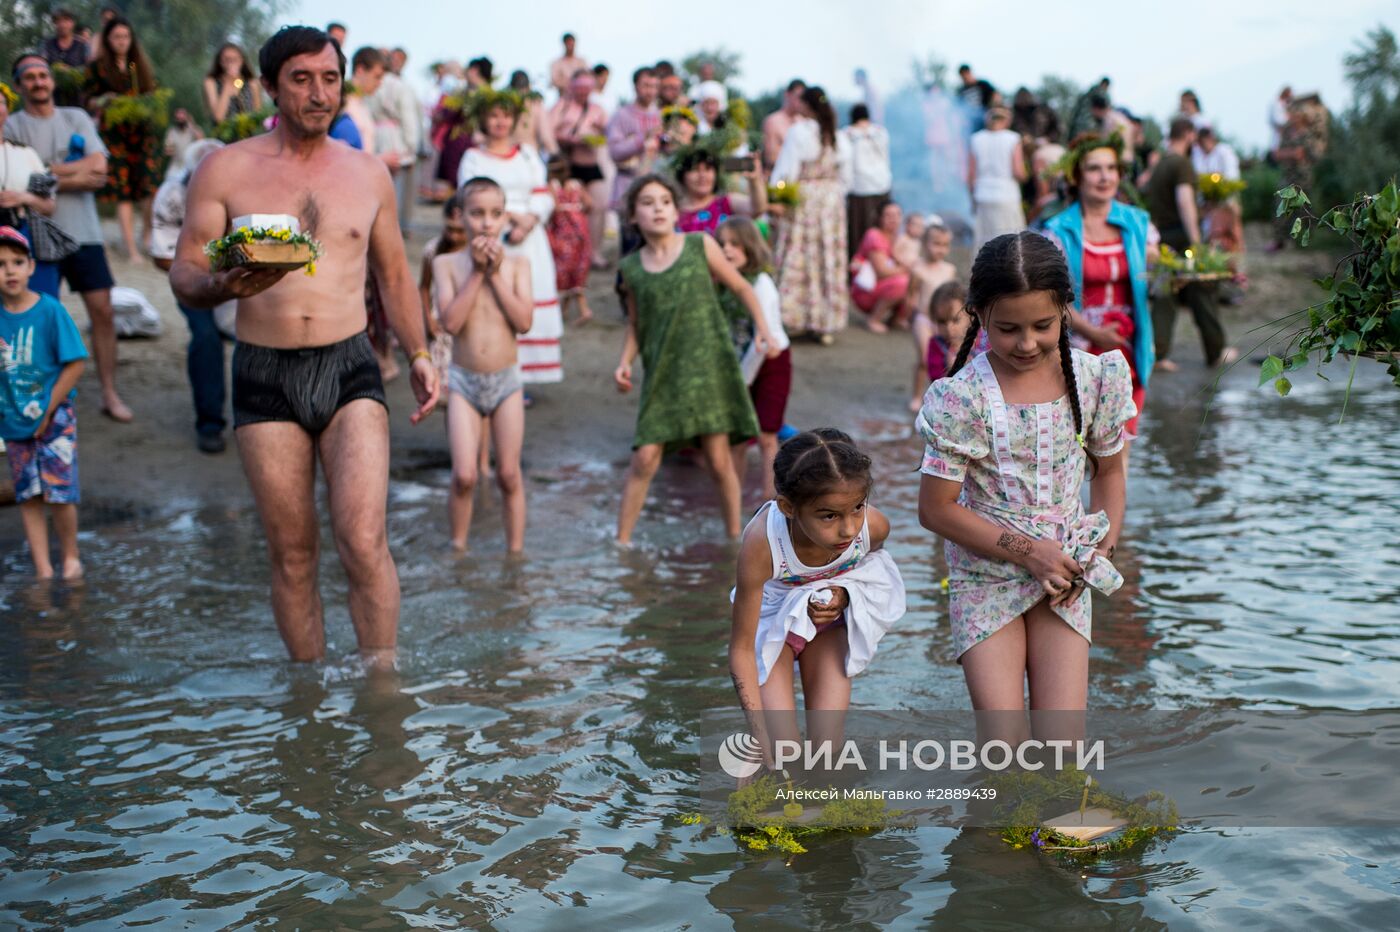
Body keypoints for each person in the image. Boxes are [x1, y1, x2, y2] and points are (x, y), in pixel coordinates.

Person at [169, 25, 439, 665]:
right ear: (268, 86)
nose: (320, 94)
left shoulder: (367, 173)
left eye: (330, 78)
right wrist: (220, 281)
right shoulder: (226, 168)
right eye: (301, 79)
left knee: (363, 539)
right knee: (292, 553)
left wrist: (422, 355)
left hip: (350, 367)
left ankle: (381, 692)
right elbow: (183, 272)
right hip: (264, 370)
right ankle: (309, 694)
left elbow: (394, 276)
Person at [916, 231, 1134, 711]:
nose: (1027, 342)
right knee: (1004, 741)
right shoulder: (962, 397)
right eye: (1008, 328)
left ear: (1064, 309)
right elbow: (934, 510)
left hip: (1065, 573)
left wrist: (1098, 552)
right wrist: (1030, 551)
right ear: (979, 315)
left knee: (1062, 750)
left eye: (1042, 325)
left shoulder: (1096, 380)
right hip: (985, 574)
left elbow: (1111, 475)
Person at [613, 174, 776, 545]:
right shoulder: (631, 269)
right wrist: (624, 361)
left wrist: (763, 327)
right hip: (663, 374)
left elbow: (740, 285)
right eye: (648, 202)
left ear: (676, 210)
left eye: (665, 202)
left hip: (709, 369)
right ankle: (622, 541)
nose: (658, 209)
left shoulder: (699, 245)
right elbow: (636, 325)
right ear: (633, 216)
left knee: (719, 459)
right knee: (645, 457)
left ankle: (735, 536)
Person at [728, 429, 904, 772]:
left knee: (828, 751)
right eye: (829, 516)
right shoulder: (763, 544)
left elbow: (873, 571)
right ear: (788, 507)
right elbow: (742, 650)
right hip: (771, 626)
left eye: (857, 508)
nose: (849, 530)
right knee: (781, 750)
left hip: (828, 625)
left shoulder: (874, 527)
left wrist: (843, 593)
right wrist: (757, 733)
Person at [8, 54, 133, 421]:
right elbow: (19, 181)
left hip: (85, 232)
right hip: (36, 234)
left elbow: (100, 167)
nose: (38, 81)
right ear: (19, 86)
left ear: (52, 80)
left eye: (42, 75)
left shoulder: (75, 117)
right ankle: (42, 397)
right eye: (29, 77)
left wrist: (43, 172)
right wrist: (73, 176)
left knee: (104, 311)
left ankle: (109, 392)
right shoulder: (13, 125)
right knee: (39, 315)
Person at [434, 178, 533, 552]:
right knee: (464, 475)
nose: (487, 223)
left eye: (495, 214)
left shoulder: (519, 264)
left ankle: (515, 553)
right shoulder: (447, 264)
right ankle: (458, 548)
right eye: (477, 213)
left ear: (506, 217)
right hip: (463, 381)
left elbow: (523, 322)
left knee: (509, 474)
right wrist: (477, 273)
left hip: (506, 381)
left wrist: (494, 274)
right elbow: (451, 323)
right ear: (461, 217)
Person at [1043, 134, 1157, 458]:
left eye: (1111, 168)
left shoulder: (1138, 223)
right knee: (1077, 447)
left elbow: (1157, 274)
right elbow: (1052, 300)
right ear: (1077, 177)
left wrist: (1186, 269)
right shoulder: (1058, 230)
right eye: (1094, 169)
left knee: (1121, 446)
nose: (1105, 177)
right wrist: (1093, 332)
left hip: (1129, 348)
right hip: (1077, 346)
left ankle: (1117, 511)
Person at [459, 90, 564, 386]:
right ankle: (500, 371)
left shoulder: (528, 154)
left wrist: (529, 221)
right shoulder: (473, 158)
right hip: (492, 237)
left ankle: (528, 374)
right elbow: (470, 197)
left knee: (529, 297)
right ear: (483, 119)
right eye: (493, 115)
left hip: (530, 240)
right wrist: (508, 219)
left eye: (505, 115)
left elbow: (542, 194)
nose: (500, 122)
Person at [0, 226, 88, 579]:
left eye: (17, 262)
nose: (9, 270)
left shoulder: (50, 311)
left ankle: (70, 557)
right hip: (13, 421)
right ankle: (42, 568)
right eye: (1, 264)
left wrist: (49, 408)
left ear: (32, 267)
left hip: (55, 418)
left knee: (60, 491)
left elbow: (76, 361)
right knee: (28, 495)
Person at [149, 138, 231, 453]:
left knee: (255, 336)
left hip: (234, 277)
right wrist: (199, 274)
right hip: (191, 276)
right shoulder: (171, 195)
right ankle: (210, 423)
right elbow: (161, 256)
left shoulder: (239, 190)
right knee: (205, 336)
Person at [1144, 118, 1235, 369]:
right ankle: (1216, 351)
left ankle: (1158, 354)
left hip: (1161, 238)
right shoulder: (1181, 164)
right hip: (1181, 237)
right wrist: (1196, 241)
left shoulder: (1160, 164)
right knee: (1202, 291)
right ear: (1186, 134)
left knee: (1165, 294)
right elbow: (1184, 202)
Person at [717, 217, 791, 500]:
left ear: (749, 247)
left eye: (734, 244)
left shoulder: (760, 284)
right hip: (740, 366)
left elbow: (766, 342)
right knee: (737, 438)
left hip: (771, 361)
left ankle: (770, 500)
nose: (727, 250)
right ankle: (732, 498)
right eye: (722, 244)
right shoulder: (723, 284)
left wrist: (741, 381)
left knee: (766, 435)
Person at [771, 85, 851, 341]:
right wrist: (834, 195)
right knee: (827, 257)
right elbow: (847, 178)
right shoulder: (840, 137)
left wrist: (779, 194)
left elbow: (786, 170)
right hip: (831, 201)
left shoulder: (799, 132)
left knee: (801, 255)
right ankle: (825, 322)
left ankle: (796, 317)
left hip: (805, 198)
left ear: (805, 105)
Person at [83, 17, 160, 263]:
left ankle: (147, 235)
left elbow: (153, 96)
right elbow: (88, 100)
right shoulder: (97, 68)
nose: (122, 42)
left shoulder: (140, 66)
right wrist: (105, 100)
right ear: (108, 39)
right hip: (115, 136)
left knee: (150, 188)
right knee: (122, 192)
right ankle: (131, 248)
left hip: (141, 135)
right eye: (117, 37)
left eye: (125, 37)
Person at [549, 70, 609, 267]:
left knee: (599, 206)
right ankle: (570, 254)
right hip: (570, 167)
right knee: (570, 211)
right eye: (580, 89)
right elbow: (548, 131)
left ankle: (595, 253)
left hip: (592, 164)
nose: (583, 93)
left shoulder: (597, 109)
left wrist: (597, 134)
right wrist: (568, 138)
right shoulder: (562, 107)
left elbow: (607, 130)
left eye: (587, 89)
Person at [0, 83, 57, 258]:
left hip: (23, 237)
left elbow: (49, 206)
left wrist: (23, 198)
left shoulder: (25, 153)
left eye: (1, 102)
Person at [368, 47, 422, 231]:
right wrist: (412, 146)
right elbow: (409, 118)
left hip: (376, 137)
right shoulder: (400, 86)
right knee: (395, 190)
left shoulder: (374, 83)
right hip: (395, 139)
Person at [419, 197, 469, 396]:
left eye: (460, 230)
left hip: (466, 327)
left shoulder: (475, 253)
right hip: (440, 327)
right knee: (443, 390)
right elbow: (423, 287)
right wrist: (428, 320)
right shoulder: (433, 250)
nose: (454, 236)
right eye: (449, 229)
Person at [1269, 94, 1328, 252]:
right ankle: (1279, 241)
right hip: (1287, 176)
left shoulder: (1308, 135)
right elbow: (1277, 154)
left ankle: (1304, 242)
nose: (1291, 117)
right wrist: (1291, 153)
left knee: (1303, 209)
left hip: (1303, 177)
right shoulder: (1287, 134)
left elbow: (1306, 155)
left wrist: (1288, 154)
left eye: (1295, 114)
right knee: (1281, 207)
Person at [605, 67, 661, 229]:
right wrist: (642, 138)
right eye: (646, 85)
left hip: (656, 187)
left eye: (654, 86)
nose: (650, 91)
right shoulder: (621, 115)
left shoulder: (661, 116)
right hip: (628, 187)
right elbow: (615, 151)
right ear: (635, 86)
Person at [968, 105, 1026, 251]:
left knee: (984, 243)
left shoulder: (976, 138)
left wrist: (972, 199)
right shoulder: (1013, 138)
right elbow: (1018, 171)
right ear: (1007, 120)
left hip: (983, 195)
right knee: (1011, 243)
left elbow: (970, 175)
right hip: (1007, 195)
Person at [674, 147, 766, 236]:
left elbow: (757, 209)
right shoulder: (672, 210)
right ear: (682, 175)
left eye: (708, 169)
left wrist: (754, 180)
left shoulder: (725, 203)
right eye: (695, 169)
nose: (702, 175)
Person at [841, 103, 892, 261]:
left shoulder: (846, 134)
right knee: (882, 228)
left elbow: (845, 163)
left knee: (859, 231)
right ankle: (884, 261)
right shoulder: (881, 132)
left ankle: (860, 263)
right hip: (882, 185)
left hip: (859, 188)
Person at [849, 199, 910, 333]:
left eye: (897, 215)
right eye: (888, 215)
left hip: (882, 286)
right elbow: (882, 271)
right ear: (880, 218)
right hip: (866, 290)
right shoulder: (874, 236)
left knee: (915, 281)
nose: (893, 219)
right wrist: (907, 269)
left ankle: (897, 319)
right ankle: (874, 320)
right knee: (904, 282)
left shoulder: (898, 238)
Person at [546, 177, 592, 325]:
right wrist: (577, 210)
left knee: (565, 270)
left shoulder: (552, 186)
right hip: (580, 230)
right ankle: (563, 311)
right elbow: (590, 204)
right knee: (577, 269)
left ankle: (584, 310)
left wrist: (563, 210)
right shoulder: (577, 184)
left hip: (563, 233)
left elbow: (551, 207)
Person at [1192, 126, 1243, 253]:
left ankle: (1235, 251)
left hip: (1226, 198)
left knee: (1231, 228)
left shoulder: (1224, 151)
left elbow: (1232, 177)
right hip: (1206, 201)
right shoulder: (1198, 155)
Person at [203, 43, 262, 125]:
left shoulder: (252, 83)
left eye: (235, 59)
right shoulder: (211, 82)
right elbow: (218, 118)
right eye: (227, 59)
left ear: (242, 61)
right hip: (221, 134)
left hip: (248, 134)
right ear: (220, 62)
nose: (231, 63)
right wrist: (228, 86)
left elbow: (257, 115)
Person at [761, 79, 805, 172]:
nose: (800, 102)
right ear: (787, 94)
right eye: (798, 97)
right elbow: (771, 158)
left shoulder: (803, 122)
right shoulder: (773, 121)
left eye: (803, 98)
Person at [508, 70, 556, 156]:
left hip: (507, 156)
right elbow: (545, 136)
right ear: (529, 86)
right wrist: (555, 153)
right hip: (529, 157)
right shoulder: (536, 104)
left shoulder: (504, 105)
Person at [956, 64, 996, 128]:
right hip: (969, 117)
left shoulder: (982, 84)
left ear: (969, 73)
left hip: (984, 113)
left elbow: (995, 94)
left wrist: (991, 108)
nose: (965, 78)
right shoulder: (961, 90)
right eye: (962, 76)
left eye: (965, 74)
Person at [549, 33, 587, 98]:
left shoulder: (581, 62)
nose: (570, 45)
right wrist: (574, 82)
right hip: (563, 99)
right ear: (564, 44)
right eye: (568, 43)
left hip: (580, 99)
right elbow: (554, 81)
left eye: (572, 43)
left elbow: (587, 79)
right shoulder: (557, 63)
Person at [1267, 86, 1292, 159]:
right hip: (1278, 129)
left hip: (1283, 130)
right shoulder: (1275, 103)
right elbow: (1277, 119)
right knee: (1275, 146)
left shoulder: (1283, 104)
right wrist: (1288, 118)